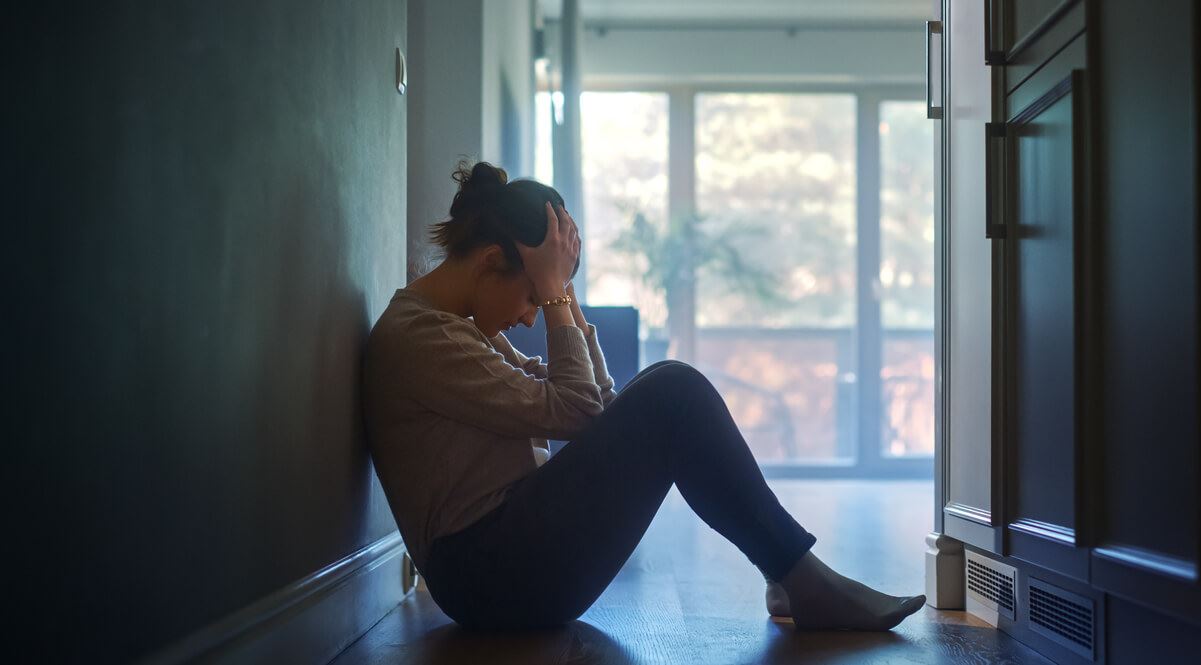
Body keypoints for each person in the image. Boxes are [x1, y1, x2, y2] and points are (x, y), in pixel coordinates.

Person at [362, 162, 925, 631]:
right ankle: (799, 578)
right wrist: (557, 296)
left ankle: (791, 577)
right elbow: (578, 409)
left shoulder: (456, 330)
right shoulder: (424, 337)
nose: (530, 316)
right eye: (534, 295)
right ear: (490, 263)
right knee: (674, 390)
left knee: (669, 387)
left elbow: (596, 410)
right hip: (489, 578)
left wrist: (564, 297)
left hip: (506, 559)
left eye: (543, 299)